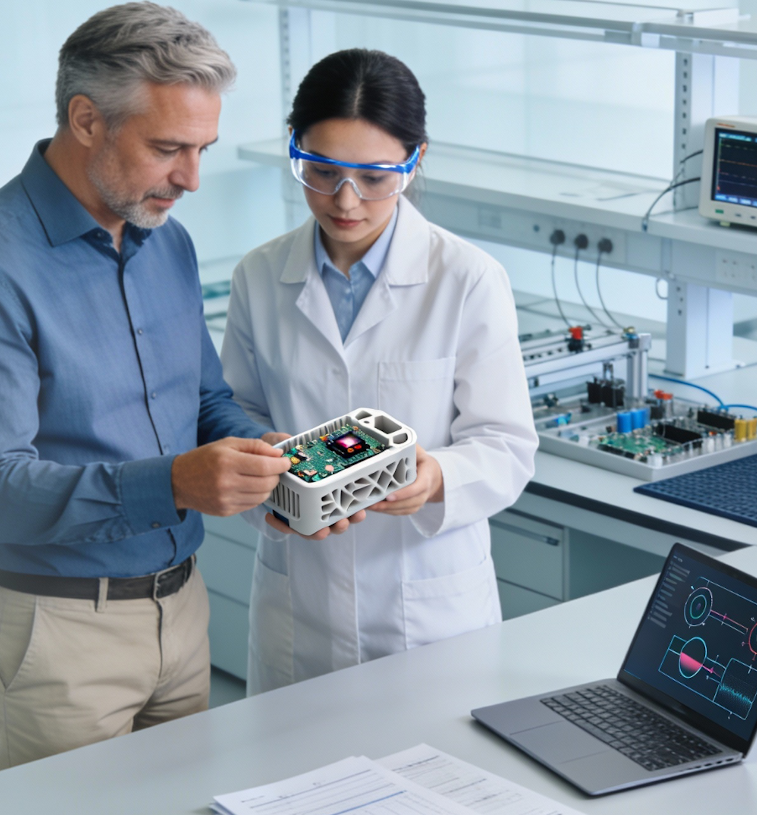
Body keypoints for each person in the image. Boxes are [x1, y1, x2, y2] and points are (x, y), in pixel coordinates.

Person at [0, 2, 291, 772]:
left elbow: (203, 399)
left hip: (182, 608)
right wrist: (176, 483)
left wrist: (260, 458)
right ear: (86, 119)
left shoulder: (166, 240)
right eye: (167, 149)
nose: (191, 179)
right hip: (57, 632)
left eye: (201, 149)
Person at [222, 48, 538, 694]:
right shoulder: (259, 275)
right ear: (294, 147)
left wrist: (435, 477)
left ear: (414, 159)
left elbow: (506, 445)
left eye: (373, 177)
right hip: (300, 605)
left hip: (427, 613)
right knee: (293, 756)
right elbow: (235, 413)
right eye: (321, 171)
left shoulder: (467, 279)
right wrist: (266, 482)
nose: (345, 200)